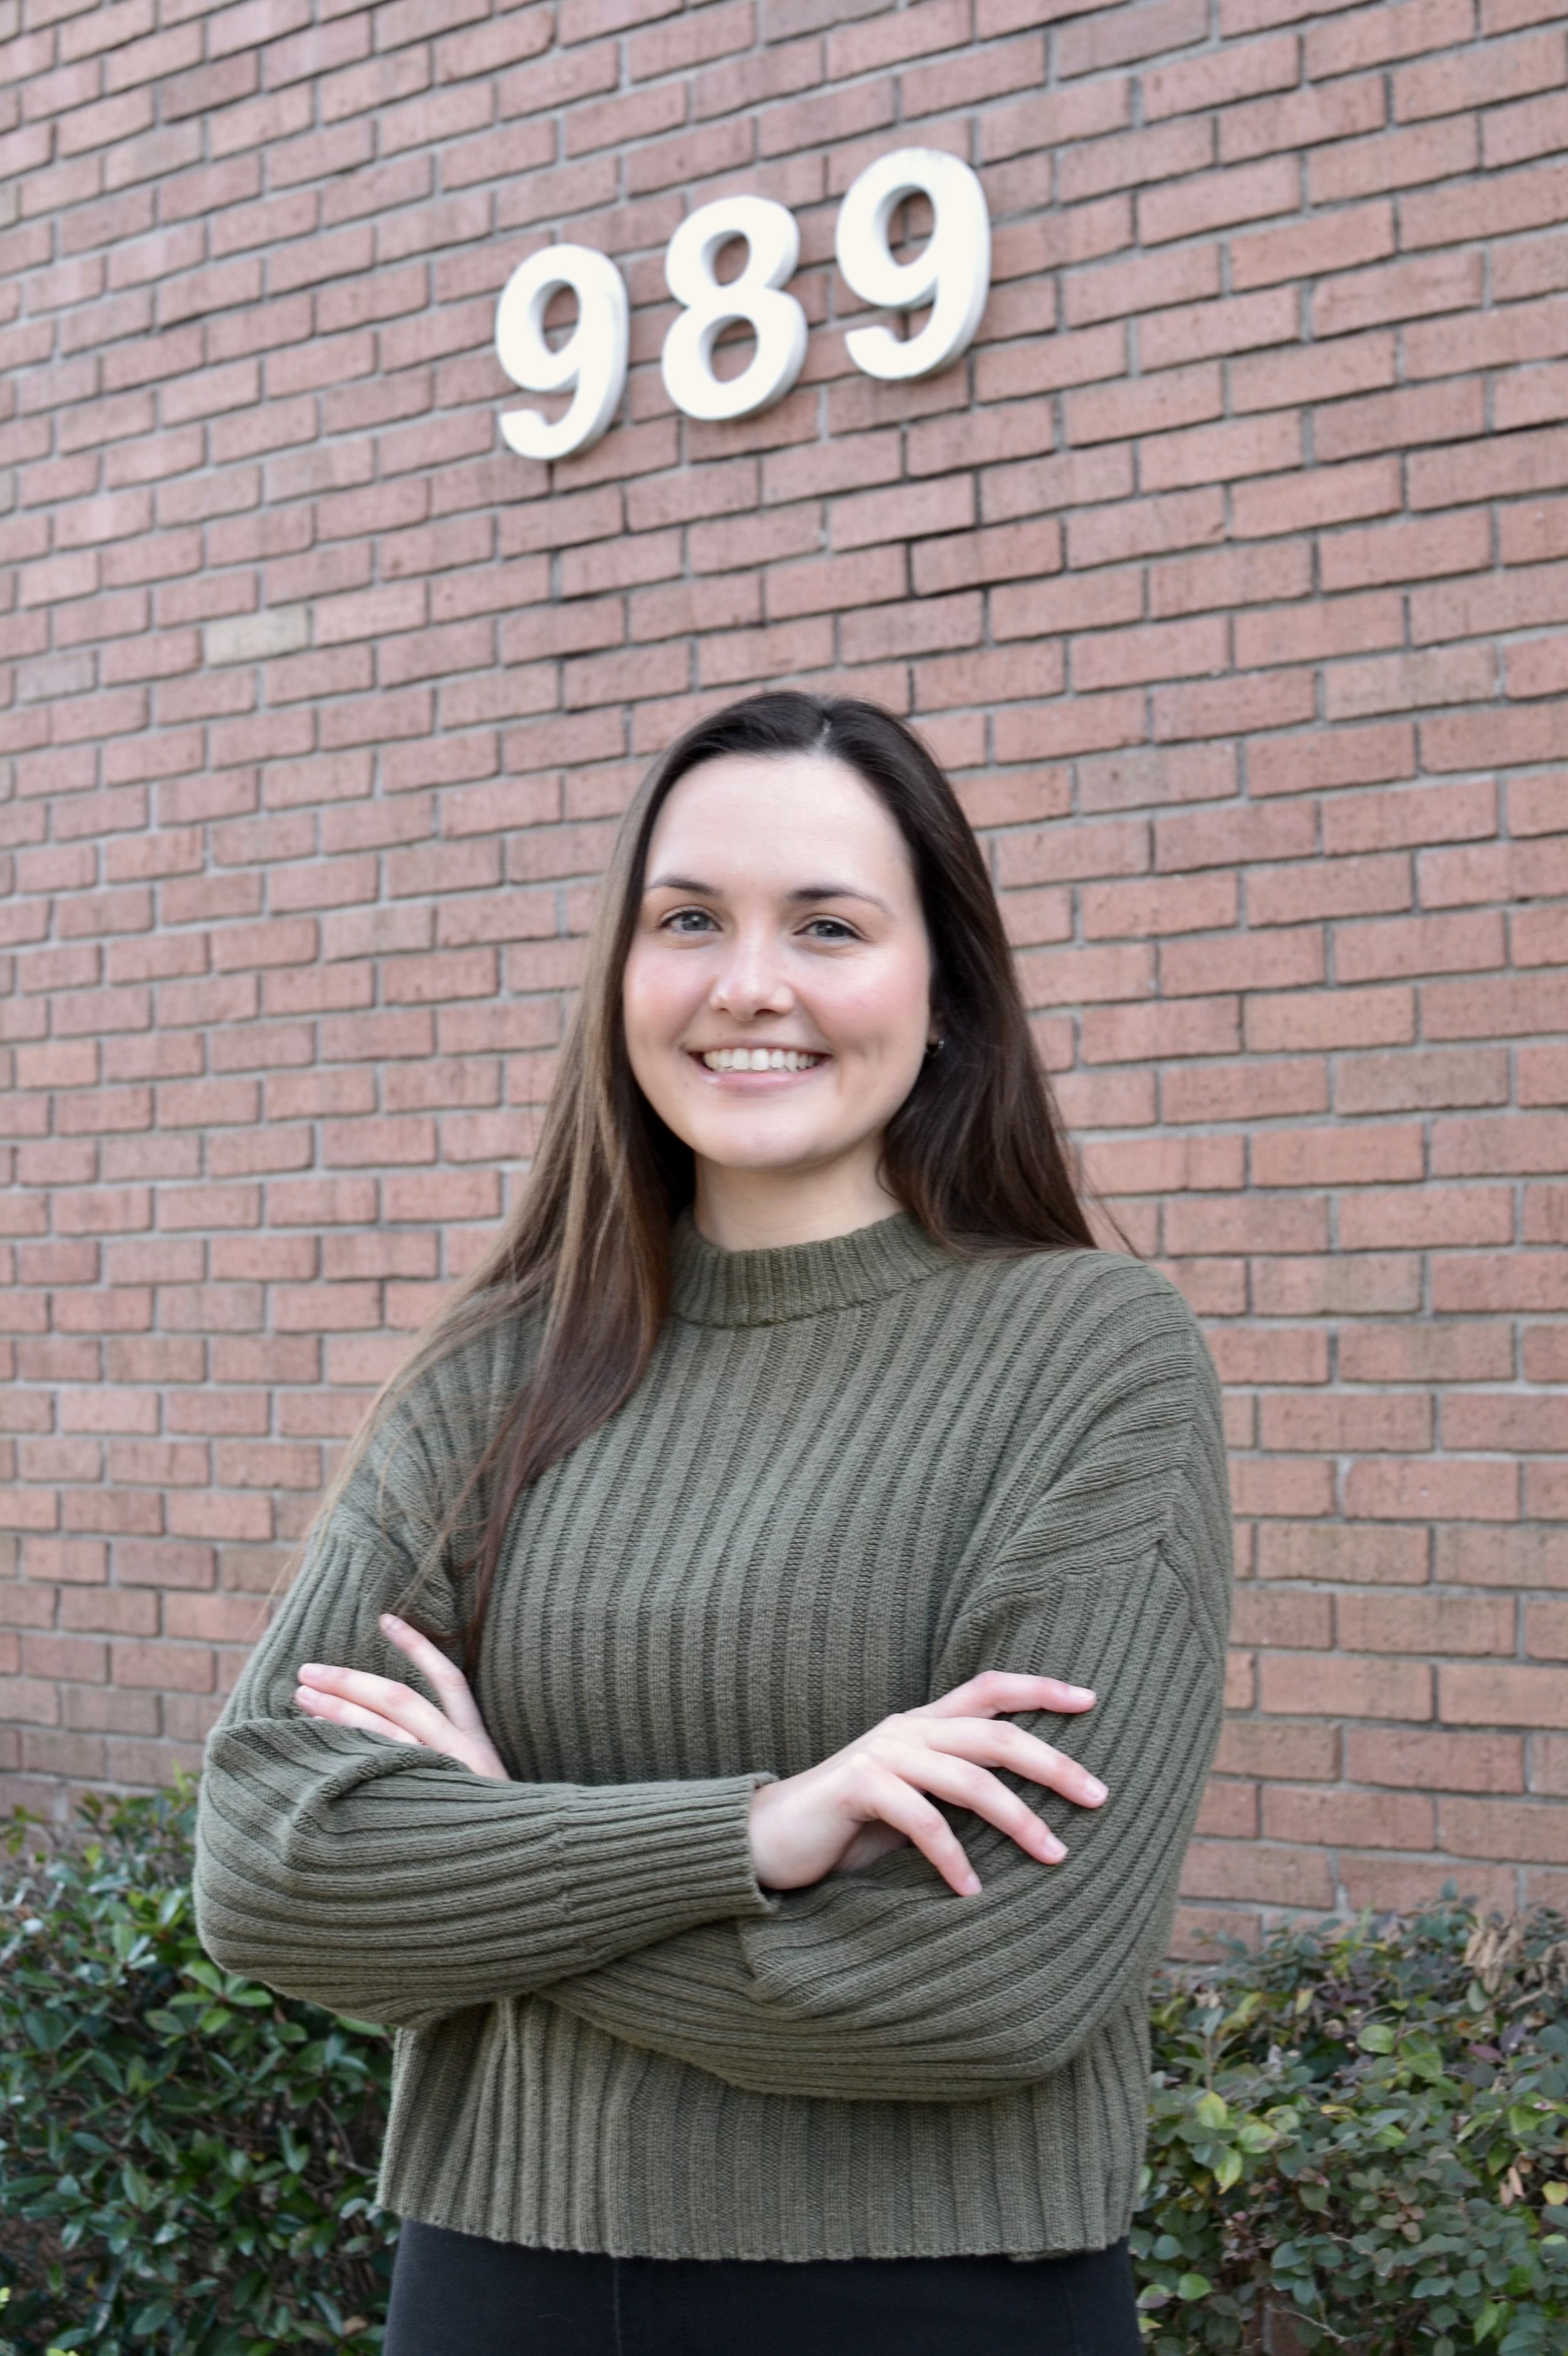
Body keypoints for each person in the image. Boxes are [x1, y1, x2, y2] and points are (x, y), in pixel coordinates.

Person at [193, 690, 1233, 2356]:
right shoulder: (497, 1372)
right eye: (688, 921)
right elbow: (269, 1866)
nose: (747, 984)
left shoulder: (1090, 1356)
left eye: (827, 925)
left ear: (946, 994)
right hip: (498, 2284)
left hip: (936, 2300)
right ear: (621, 978)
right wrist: (755, 1836)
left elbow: (1001, 1980)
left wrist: (492, 1860)